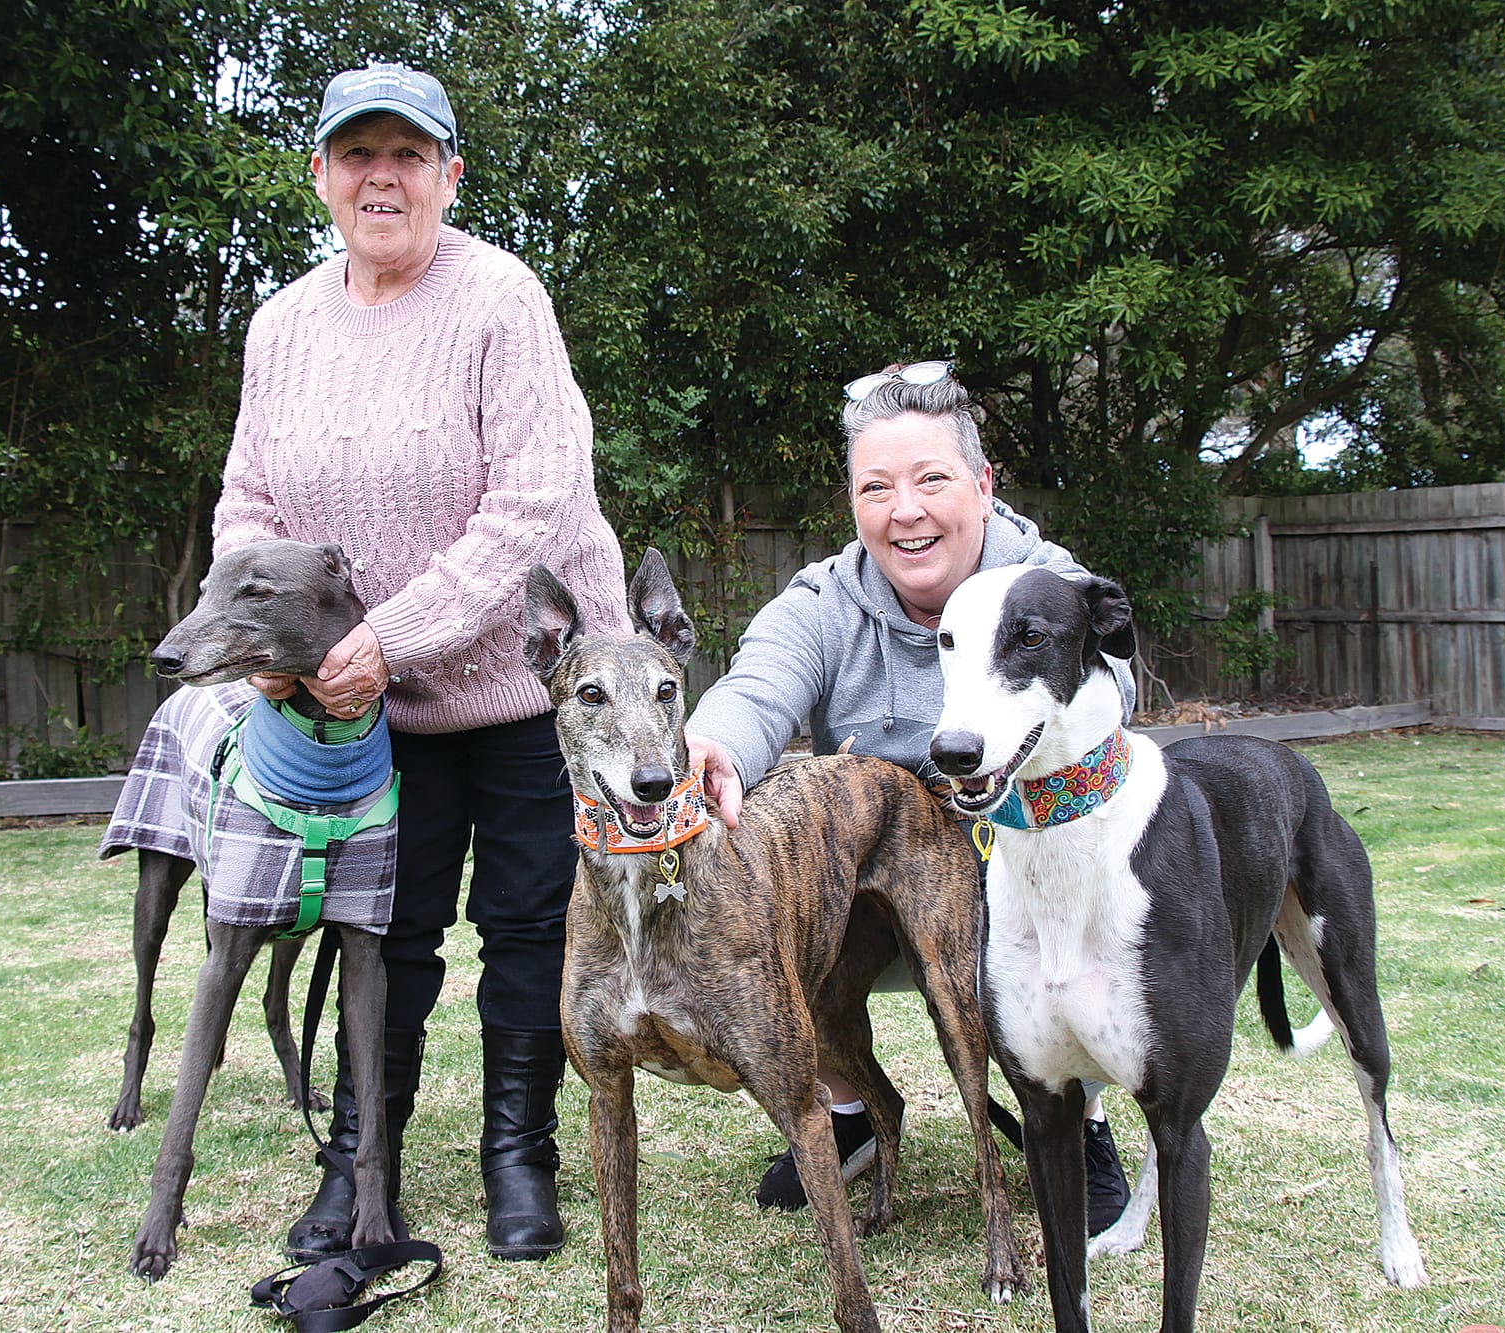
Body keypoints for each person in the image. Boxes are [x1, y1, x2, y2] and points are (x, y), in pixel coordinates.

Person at [213, 62, 627, 1263]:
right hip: (359, 702)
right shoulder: (280, 328)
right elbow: (249, 505)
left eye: (407, 154)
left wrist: (386, 638)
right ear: (321, 176)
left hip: (518, 681)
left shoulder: (502, 298)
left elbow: (531, 508)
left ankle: (518, 1154)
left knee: (528, 919)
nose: (380, 176)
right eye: (357, 154)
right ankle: (361, 1160)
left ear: (450, 173)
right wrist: (270, 643)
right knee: (381, 931)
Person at [685, 360, 1136, 1234]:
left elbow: (1116, 685)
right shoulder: (824, 599)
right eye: (876, 486)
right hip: (882, 885)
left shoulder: (1048, 582)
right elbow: (755, 687)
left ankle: (1081, 1122)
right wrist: (714, 747)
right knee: (776, 889)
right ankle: (847, 1109)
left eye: (931, 478)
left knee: (1070, 877)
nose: (906, 509)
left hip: (1024, 870)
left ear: (982, 482)